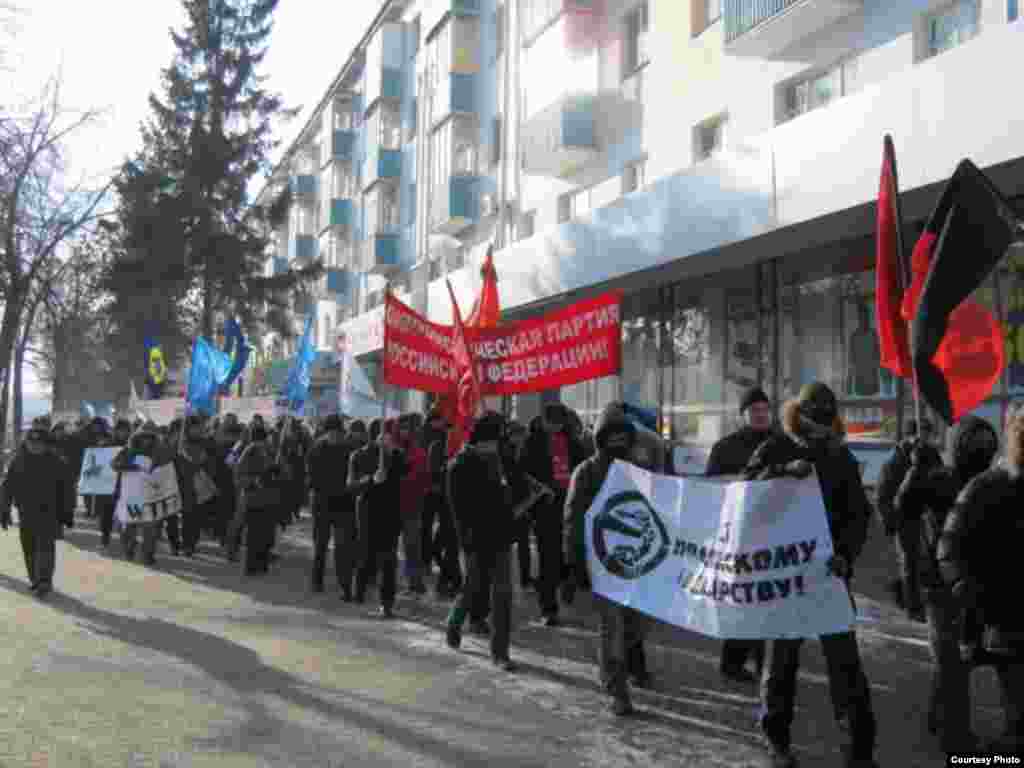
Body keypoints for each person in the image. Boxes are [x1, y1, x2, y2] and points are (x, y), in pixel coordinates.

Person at [743, 382, 877, 768]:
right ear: (797, 416)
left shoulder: (841, 458)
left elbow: (858, 516)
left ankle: (860, 750)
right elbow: (744, 491)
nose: (818, 429)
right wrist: (783, 471)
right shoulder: (776, 446)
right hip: (785, 576)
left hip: (830, 574)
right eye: (812, 420)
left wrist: (846, 556)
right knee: (781, 663)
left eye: (824, 421)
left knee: (846, 667)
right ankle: (776, 738)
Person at [893, 415, 996, 754]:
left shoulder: (989, 482)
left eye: (986, 444)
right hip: (938, 584)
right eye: (974, 443)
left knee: (953, 661)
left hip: (972, 584)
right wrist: (913, 470)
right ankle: (958, 743)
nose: (981, 449)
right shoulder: (938, 478)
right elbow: (902, 509)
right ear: (959, 445)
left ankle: (939, 719)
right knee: (952, 663)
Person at [938, 404, 1024, 754]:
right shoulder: (986, 487)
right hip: (1006, 618)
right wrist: (967, 591)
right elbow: (950, 548)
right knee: (1018, 715)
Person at [562, 402, 650, 715]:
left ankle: (627, 671)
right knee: (611, 626)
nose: (617, 443)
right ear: (601, 438)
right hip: (603, 564)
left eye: (622, 436)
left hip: (637, 563)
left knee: (634, 626)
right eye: (610, 436)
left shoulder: (640, 469)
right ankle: (617, 687)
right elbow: (573, 520)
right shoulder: (586, 472)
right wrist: (575, 564)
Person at [705, 386, 775, 683]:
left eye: (764, 410)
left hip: (773, 534)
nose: (760, 415)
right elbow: (711, 490)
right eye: (754, 411)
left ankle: (763, 663)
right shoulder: (725, 448)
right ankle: (732, 662)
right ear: (742, 415)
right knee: (740, 599)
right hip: (738, 536)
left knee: (765, 600)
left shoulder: (781, 444)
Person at [445, 412, 523, 671]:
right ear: (479, 441)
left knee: (503, 594)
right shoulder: (459, 466)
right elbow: (459, 511)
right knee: (472, 587)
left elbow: (514, 489)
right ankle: (455, 621)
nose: (495, 446)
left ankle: (500, 652)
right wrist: (466, 541)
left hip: (501, 537)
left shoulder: (501, 460)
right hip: (475, 539)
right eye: (491, 441)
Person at [522, 403, 586, 626]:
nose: (555, 428)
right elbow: (522, 472)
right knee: (547, 557)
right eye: (552, 423)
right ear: (544, 421)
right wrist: (540, 488)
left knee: (567, 554)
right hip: (544, 506)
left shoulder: (573, 442)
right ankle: (548, 608)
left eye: (559, 423)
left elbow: (582, 469)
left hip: (569, 504)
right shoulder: (532, 442)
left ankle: (568, 581)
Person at [876, 418, 943, 621]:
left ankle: (923, 602)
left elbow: (940, 481)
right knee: (909, 562)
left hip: (927, 515)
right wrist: (891, 521)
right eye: (925, 433)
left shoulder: (931, 455)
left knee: (929, 561)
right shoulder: (896, 459)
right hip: (905, 517)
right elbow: (883, 493)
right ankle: (913, 608)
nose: (928, 438)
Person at [349, 418, 409, 617]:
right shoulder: (358, 455)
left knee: (389, 559)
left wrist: (391, 451)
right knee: (365, 554)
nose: (390, 437)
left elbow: (405, 471)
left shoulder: (396, 454)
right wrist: (371, 479)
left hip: (391, 512)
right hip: (367, 511)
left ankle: (387, 602)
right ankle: (358, 593)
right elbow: (351, 485)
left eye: (392, 435)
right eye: (388, 433)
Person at [0, 426, 68, 597]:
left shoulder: (57, 462)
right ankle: (35, 579)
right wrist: (4, 509)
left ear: (46, 444)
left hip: (49, 513)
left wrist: (67, 511)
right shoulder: (18, 461)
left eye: (39, 443)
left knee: (45, 547)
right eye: (32, 442)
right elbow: (8, 487)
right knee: (29, 547)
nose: (35, 446)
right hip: (26, 512)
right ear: (27, 443)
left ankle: (43, 581)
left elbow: (67, 489)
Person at [307, 415, 360, 599]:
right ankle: (317, 581)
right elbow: (311, 477)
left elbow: (354, 474)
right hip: (322, 503)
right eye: (333, 433)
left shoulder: (349, 450)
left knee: (342, 547)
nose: (335, 436)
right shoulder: (316, 449)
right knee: (320, 545)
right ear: (327, 432)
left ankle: (345, 585)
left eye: (338, 433)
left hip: (343, 504)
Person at [112, 423, 179, 566]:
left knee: (151, 528)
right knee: (130, 526)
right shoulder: (129, 450)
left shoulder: (161, 452)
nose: (146, 440)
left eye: (149, 437)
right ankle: (129, 548)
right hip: (133, 497)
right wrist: (134, 467)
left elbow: (168, 471)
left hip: (152, 496)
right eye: (143, 437)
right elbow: (115, 464)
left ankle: (148, 554)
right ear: (137, 437)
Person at [422, 408, 461, 598]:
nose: (450, 432)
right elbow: (432, 473)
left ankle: (449, 581)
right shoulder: (436, 447)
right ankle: (451, 578)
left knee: (451, 546)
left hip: (456, 503)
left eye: (452, 429)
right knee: (439, 545)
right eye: (448, 429)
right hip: (440, 500)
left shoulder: (461, 449)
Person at [234, 423, 281, 575]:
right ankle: (251, 566)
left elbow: (282, 473)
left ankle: (262, 564)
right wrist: (254, 481)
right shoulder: (249, 452)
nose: (261, 443)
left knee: (266, 534)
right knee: (254, 534)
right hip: (254, 499)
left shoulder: (272, 451)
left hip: (270, 499)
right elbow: (239, 476)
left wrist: (277, 470)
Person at [176, 414, 219, 557]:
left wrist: (206, 463)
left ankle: (192, 543)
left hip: (202, 486)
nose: (197, 430)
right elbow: (179, 466)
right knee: (188, 517)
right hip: (186, 486)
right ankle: (187, 544)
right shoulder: (181, 444)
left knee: (197, 517)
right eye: (194, 427)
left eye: (198, 427)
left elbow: (212, 463)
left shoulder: (206, 443)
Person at [397, 413, 428, 595]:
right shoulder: (392, 450)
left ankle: (414, 581)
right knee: (392, 547)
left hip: (412, 505)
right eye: (402, 428)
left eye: (408, 428)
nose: (405, 432)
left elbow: (421, 479)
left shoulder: (419, 453)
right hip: (394, 505)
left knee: (411, 546)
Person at [506, 421, 535, 589]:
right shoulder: (505, 453)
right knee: (509, 543)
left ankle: (525, 577)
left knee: (524, 543)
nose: (522, 439)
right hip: (510, 502)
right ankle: (506, 576)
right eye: (519, 436)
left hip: (524, 502)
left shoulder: (525, 452)